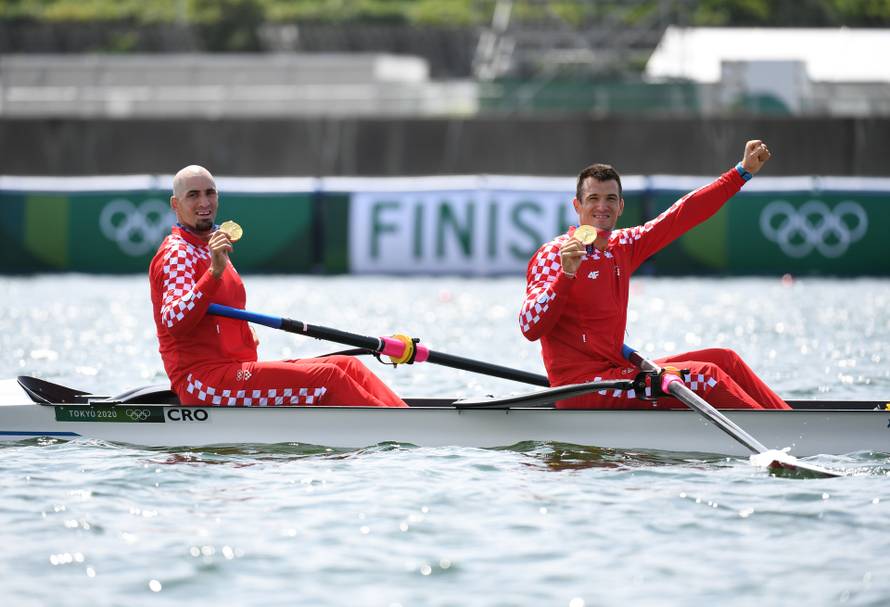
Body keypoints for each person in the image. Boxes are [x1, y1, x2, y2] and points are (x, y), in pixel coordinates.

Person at [519, 140, 790, 410]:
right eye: (593, 199)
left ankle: (789, 419)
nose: (602, 207)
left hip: (616, 372)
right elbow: (530, 327)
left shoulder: (623, 246)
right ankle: (779, 439)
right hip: (581, 387)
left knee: (725, 360)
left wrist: (741, 172)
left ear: (621, 206)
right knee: (705, 377)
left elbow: (681, 215)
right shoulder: (554, 254)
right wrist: (566, 275)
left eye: (610, 199)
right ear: (577, 206)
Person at [149, 165, 407, 408]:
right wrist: (214, 272)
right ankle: (408, 433)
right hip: (203, 383)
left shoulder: (210, 247)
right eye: (193, 195)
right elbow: (174, 320)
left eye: (210, 193)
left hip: (234, 370)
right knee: (329, 377)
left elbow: (215, 309)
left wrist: (241, 331)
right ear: (175, 204)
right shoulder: (177, 253)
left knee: (347, 365)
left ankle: (406, 418)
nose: (204, 203)